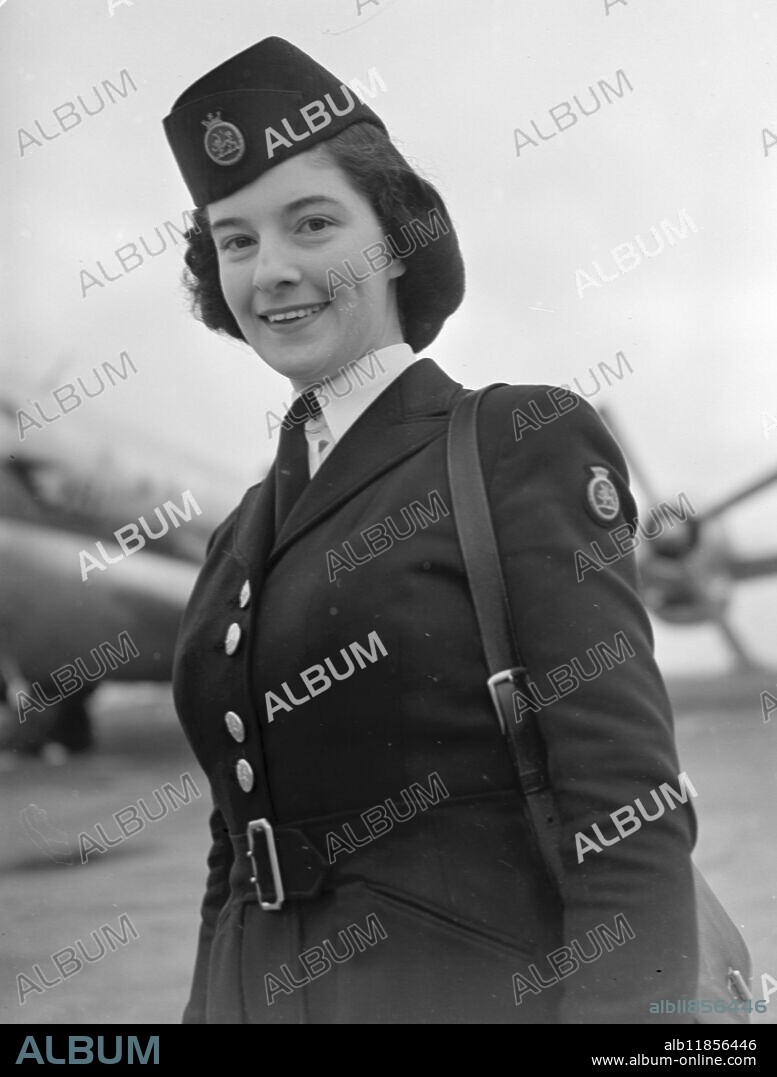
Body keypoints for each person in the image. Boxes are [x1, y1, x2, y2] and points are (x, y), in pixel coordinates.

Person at [163, 36, 698, 1024]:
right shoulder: (237, 535)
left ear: (396, 237)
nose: (271, 270)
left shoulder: (512, 445)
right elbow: (234, 850)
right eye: (235, 241)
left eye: (312, 224)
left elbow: (631, 819)